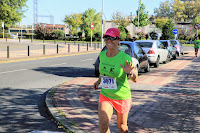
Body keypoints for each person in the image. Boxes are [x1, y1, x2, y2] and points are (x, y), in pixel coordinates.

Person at [93, 28, 138, 133]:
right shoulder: (102, 55)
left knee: (122, 127)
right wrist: (98, 81)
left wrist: (130, 72)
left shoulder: (125, 57)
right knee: (103, 127)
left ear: (118, 41)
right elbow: (104, 72)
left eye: (112, 38)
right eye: (106, 38)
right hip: (106, 95)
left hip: (122, 96)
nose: (109, 40)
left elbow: (135, 79)